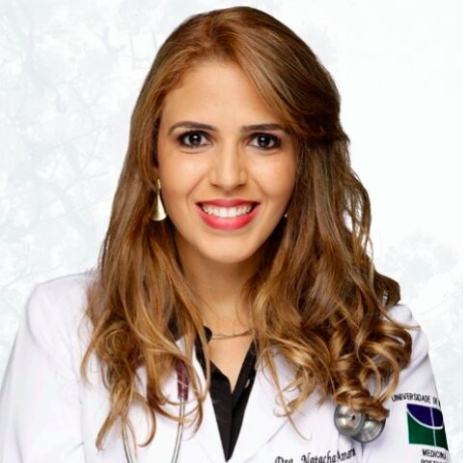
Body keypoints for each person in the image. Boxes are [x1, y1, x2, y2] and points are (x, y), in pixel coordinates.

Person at [0, 6, 451, 463]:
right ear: (152, 156)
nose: (229, 176)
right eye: (195, 138)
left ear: (303, 163)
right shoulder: (64, 327)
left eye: (264, 140)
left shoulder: (383, 342)